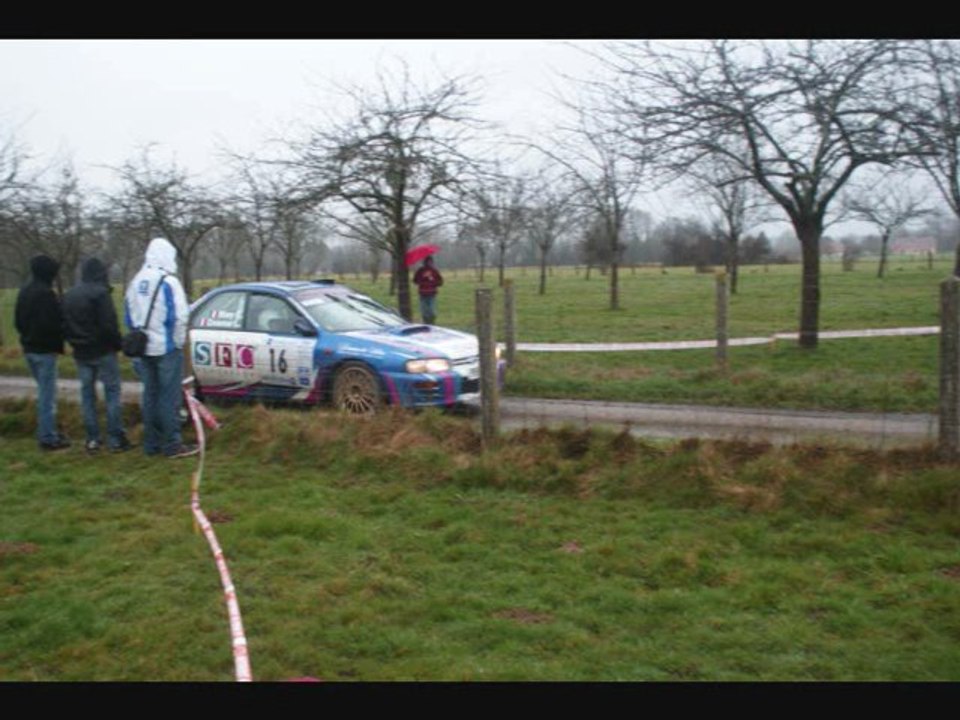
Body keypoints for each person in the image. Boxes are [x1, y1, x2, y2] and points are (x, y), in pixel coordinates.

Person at [124, 237, 197, 459]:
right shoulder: (169, 282)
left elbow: (129, 316)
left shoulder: (135, 282)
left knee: (150, 396)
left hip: (143, 349)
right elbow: (181, 317)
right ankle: (172, 444)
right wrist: (177, 342)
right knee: (169, 397)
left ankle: (151, 444)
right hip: (165, 348)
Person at [63, 257, 133, 454]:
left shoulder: (69, 295)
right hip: (103, 351)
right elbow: (108, 325)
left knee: (87, 395)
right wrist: (118, 345)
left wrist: (74, 343)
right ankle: (115, 438)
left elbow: (65, 324)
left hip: (81, 352)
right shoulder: (101, 294)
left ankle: (92, 439)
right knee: (112, 393)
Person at [15, 255, 70, 451]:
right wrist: (60, 339)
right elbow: (53, 324)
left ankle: (50, 432)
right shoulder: (46, 294)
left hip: (29, 348)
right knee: (47, 397)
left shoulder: (24, 291)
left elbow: (18, 321)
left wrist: (26, 338)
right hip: (45, 351)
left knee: (45, 393)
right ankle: (47, 437)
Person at [412, 255, 444, 325]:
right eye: (428, 262)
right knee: (424, 311)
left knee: (432, 311)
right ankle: (426, 323)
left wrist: (432, 280)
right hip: (422, 293)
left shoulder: (434, 271)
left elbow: (440, 282)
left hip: (432, 293)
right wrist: (422, 279)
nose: (429, 263)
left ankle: (432, 323)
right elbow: (415, 281)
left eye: (430, 262)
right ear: (425, 262)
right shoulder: (420, 270)